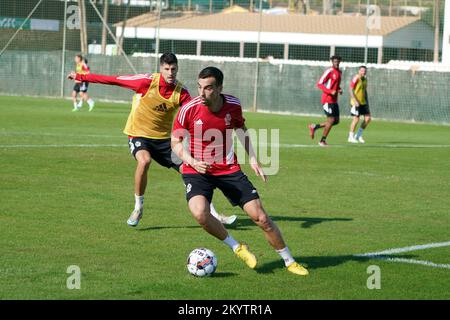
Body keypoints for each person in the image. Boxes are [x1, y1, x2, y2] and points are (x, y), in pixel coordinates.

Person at [67, 53, 236, 227]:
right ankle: (138, 207)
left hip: (163, 141)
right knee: (144, 160)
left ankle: (213, 214)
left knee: (194, 169)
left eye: (173, 69)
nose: (170, 72)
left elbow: (195, 113)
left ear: (177, 68)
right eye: (167, 69)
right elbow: (114, 79)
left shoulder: (181, 92)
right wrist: (80, 77)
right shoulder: (146, 82)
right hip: (139, 134)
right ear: (160, 68)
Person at [171, 66, 309, 276]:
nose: (201, 93)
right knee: (200, 213)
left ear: (219, 88)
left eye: (207, 88)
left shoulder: (233, 105)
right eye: (199, 87)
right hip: (196, 169)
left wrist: (252, 158)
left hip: (228, 169)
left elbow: (241, 130)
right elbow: (175, 142)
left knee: (261, 218)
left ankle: (289, 261)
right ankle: (237, 247)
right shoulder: (189, 108)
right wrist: (192, 161)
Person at [309, 55, 343, 146]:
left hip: (334, 100)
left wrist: (339, 89)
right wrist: (330, 91)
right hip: (327, 99)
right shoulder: (329, 71)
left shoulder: (339, 72)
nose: (337, 63)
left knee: (336, 121)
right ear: (332, 62)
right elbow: (319, 84)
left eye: (338, 61)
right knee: (331, 120)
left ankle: (314, 127)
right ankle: (322, 141)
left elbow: (335, 84)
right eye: (335, 61)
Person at [348, 66, 371, 144]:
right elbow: (350, 89)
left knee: (368, 118)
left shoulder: (365, 79)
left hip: (363, 102)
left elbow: (364, 91)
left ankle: (358, 135)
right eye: (361, 70)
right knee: (356, 119)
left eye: (364, 71)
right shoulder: (356, 78)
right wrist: (355, 100)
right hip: (356, 102)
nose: (363, 72)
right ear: (359, 71)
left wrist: (367, 102)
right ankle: (350, 137)